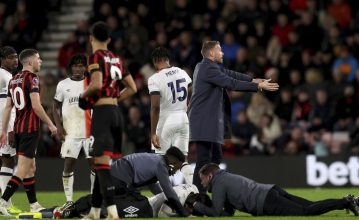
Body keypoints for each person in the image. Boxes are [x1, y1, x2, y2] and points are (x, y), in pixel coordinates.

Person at [188, 40, 279, 192]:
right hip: (202, 121)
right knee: (204, 160)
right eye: (219, 50)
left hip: (208, 122)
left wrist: (252, 80)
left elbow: (230, 74)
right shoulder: (207, 68)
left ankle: (208, 189)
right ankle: (196, 197)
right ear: (211, 53)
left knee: (216, 158)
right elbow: (230, 83)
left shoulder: (207, 67)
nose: (222, 53)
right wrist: (257, 86)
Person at [79, 21, 137, 220]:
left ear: (91, 38)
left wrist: (83, 97)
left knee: (102, 165)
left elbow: (95, 85)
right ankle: (95, 212)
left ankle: (112, 212)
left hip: (103, 114)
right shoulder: (117, 59)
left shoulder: (94, 57)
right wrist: (113, 99)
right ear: (110, 39)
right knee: (100, 162)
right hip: (116, 113)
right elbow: (133, 88)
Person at [187, 163, 359, 217]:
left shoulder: (218, 184)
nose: (202, 183)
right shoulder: (225, 177)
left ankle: (346, 202)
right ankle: (348, 200)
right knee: (311, 205)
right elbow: (228, 212)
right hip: (271, 190)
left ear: (209, 176)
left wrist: (196, 205)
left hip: (266, 201)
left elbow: (216, 213)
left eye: (202, 179)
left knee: (306, 211)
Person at [0, 49, 58, 216]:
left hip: (17, 129)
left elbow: (8, 107)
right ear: (30, 62)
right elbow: (36, 106)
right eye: (38, 59)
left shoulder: (14, 80)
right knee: (23, 169)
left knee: (31, 167)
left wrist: (4, 130)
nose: (40, 62)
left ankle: (33, 204)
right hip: (29, 129)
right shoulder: (32, 78)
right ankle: (3, 202)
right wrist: (51, 125)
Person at [52, 54, 94, 210]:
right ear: (71, 67)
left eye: (81, 65)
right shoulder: (63, 85)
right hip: (71, 132)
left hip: (90, 131)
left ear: (85, 67)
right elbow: (55, 107)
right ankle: (69, 200)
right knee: (69, 164)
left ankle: (93, 198)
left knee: (94, 166)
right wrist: (58, 126)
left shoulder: (91, 83)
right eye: (75, 66)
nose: (78, 68)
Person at [147, 47, 193, 184]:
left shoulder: (154, 78)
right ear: (168, 59)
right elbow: (192, 91)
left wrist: (153, 132)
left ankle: (166, 197)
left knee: (161, 162)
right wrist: (188, 103)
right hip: (183, 118)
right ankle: (193, 190)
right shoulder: (182, 72)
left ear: (155, 62)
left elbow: (155, 107)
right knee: (183, 159)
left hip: (165, 120)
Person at [110, 146, 190, 217]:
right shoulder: (161, 165)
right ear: (173, 162)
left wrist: (164, 201)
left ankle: (105, 207)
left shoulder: (156, 160)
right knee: (144, 208)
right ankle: (105, 210)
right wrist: (183, 212)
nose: (174, 173)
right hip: (119, 177)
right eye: (176, 169)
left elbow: (154, 188)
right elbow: (169, 192)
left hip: (116, 175)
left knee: (139, 201)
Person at [54, 183, 199, 218]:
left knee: (111, 207)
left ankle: (73, 211)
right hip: (142, 203)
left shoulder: (182, 191)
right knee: (96, 199)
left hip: (144, 206)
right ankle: (71, 210)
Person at [0, 46, 22, 215]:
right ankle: (5, 203)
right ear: (3, 59)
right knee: (8, 160)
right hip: (4, 126)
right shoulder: (6, 77)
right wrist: (9, 129)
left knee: (5, 161)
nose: (15, 60)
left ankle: (5, 202)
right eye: (10, 57)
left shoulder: (9, 76)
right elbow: (5, 107)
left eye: (16, 57)